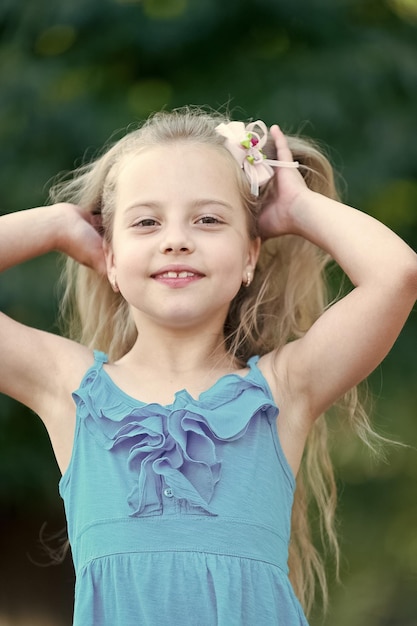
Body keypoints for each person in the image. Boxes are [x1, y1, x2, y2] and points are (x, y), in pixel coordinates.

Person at [0, 107, 416, 626]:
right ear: (109, 258)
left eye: (209, 220)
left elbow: (396, 275)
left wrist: (297, 208)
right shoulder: (70, 389)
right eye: (147, 221)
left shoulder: (283, 390)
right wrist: (59, 222)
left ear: (249, 256)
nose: (176, 239)